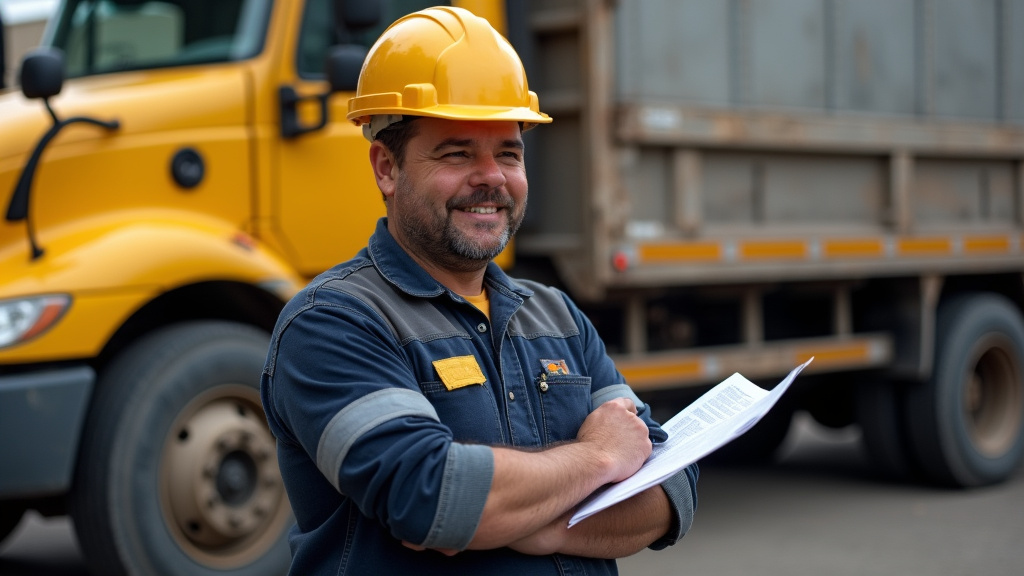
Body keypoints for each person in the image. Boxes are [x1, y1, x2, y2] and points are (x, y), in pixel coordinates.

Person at [261, 6, 698, 575]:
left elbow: (673, 487)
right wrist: (598, 457)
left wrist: (526, 525)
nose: (491, 176)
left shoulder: (556, 315)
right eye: (458, 152)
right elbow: (432, 499)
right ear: (386, 167)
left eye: (509, 153)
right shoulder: (333, 322)